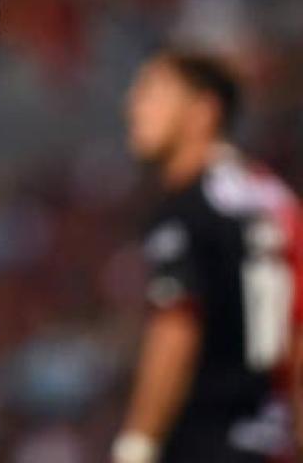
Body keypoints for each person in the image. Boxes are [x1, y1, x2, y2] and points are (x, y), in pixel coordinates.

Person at [115, 51, 303, 463]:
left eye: (152, 93)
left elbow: (176, 326)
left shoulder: (191, 208)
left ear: (203, 111)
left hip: (204, 442)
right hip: (271, 442)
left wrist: (137, 442)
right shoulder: (275, 199)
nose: (133, 108)